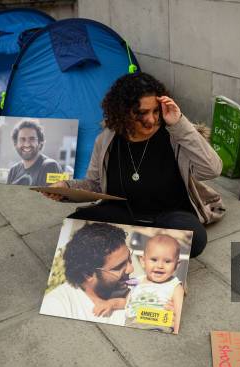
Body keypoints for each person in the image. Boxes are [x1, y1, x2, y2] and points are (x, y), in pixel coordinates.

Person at [44, 72, 225, 257]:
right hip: (123, 212)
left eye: (156, 111)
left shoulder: (176, 135)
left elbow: (212, 169)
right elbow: (95, 184)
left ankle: (127, 244)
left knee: (194, 239)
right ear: (123, 113)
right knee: (74, 226)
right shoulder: (106, 140)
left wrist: (179, 124)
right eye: (141, 113)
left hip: (170, 213)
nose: (152, 120)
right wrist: (66, 188)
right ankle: (144, 245)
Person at [39, 222, 133, 325]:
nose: (131, 269)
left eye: (129, 258)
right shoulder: (57, 306)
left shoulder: (139, 288)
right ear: (88, 274)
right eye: (118, 267)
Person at [94, 234, 185, 334]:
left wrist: (176, 333)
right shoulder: (137, 281)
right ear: (143, 261)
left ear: (177, 265)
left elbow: (179, 313)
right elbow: (128, 302)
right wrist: (111, 304)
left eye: (167, 261)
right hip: (131, 325)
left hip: (157, 327)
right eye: (154, 260)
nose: (160, 266)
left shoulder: (175, 286)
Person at [7, 120, 63, 186]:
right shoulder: (13, 170)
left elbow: (55, 195)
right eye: (22, 139)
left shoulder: (51, 166)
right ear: (15, 144)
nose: (27, 144)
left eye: (32, 139)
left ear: (40, 143)